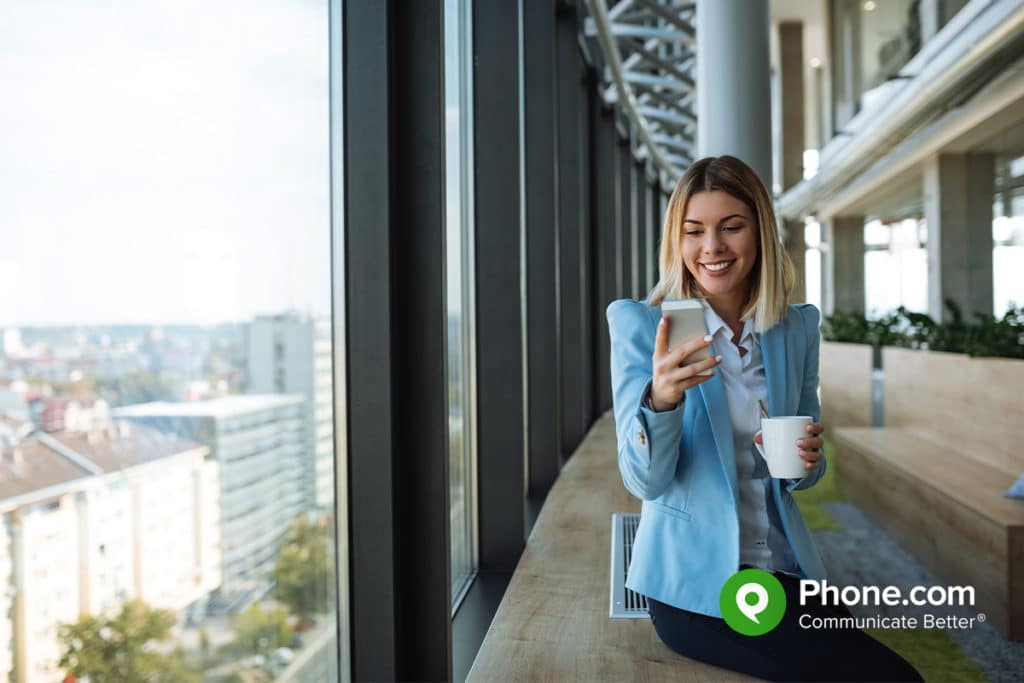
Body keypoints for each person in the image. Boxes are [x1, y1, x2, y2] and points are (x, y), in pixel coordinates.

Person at [605, 156, 922, 682]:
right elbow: (644, 480)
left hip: (781, 567)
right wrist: (661, 400)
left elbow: (802, 476)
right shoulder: (642, 326)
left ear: (760, 232)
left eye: (732, 227)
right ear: (676, 242)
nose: (713, 247)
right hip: (697, 586)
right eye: (695, 231)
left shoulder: (794, 328)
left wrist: (806, 460)